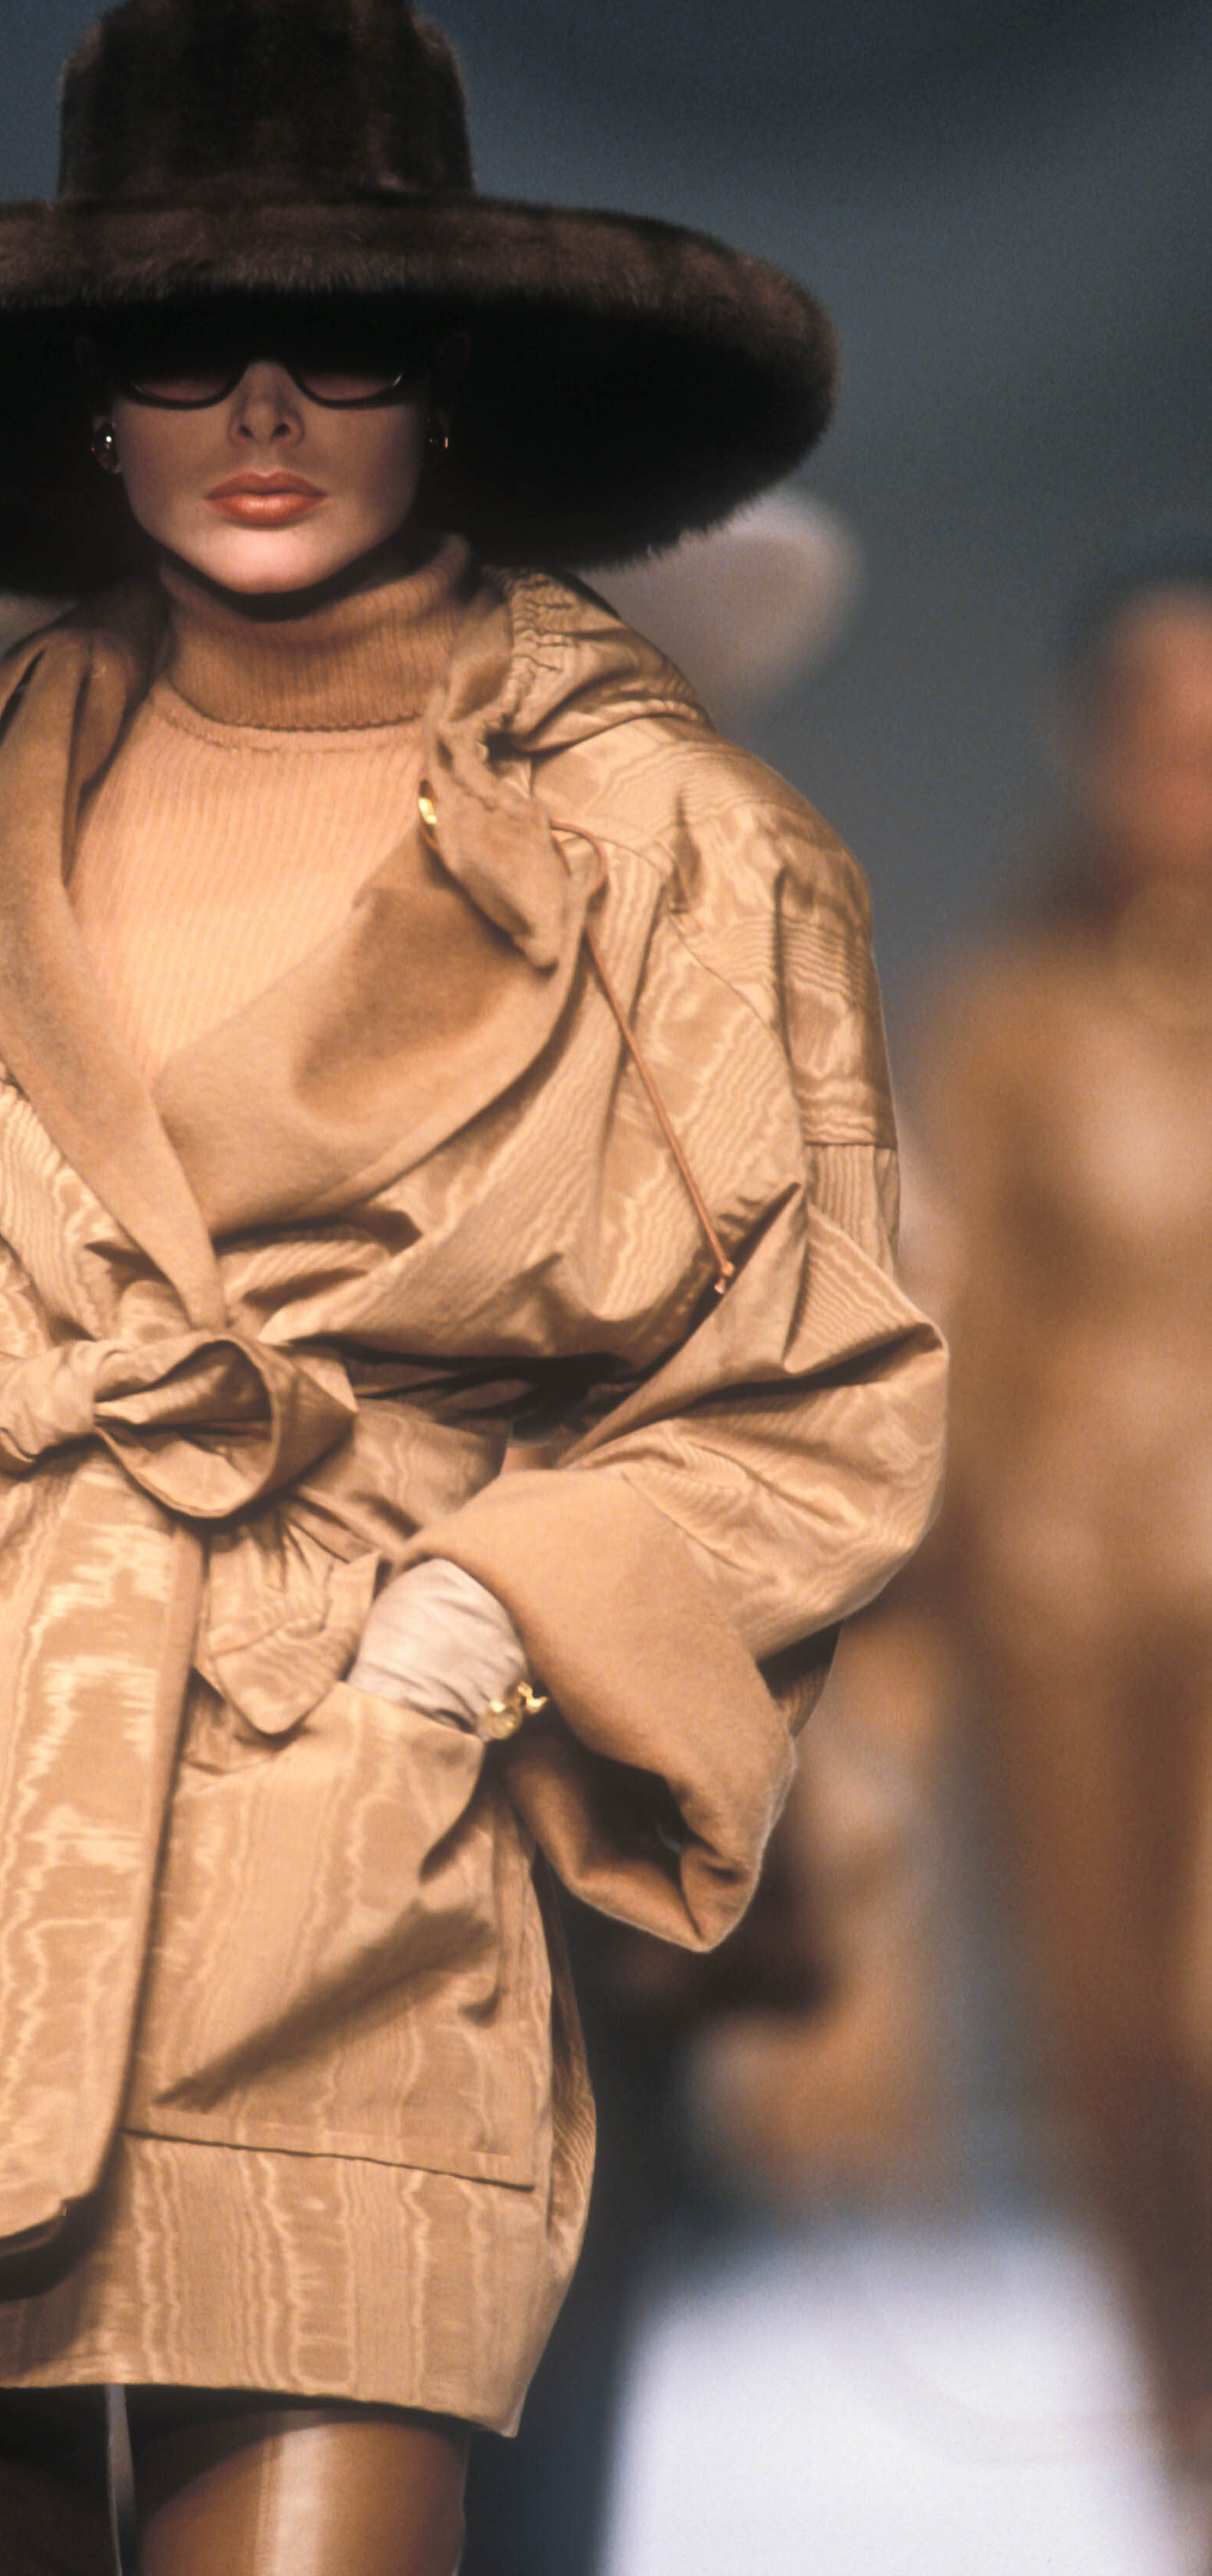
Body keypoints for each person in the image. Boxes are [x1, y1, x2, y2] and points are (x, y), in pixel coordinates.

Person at [0, 4, 945, 2568]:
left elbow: (813, 1383)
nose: (261, 414)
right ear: (91, 401)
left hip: (340, 1832)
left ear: (447, 380)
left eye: (340, 346)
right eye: (184, 348)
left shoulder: (673, 846)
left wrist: (478, 1630)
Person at [910, 546, 1212, 2525]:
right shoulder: (1011, 1009)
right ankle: (1185, 2459)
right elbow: (955, 1327)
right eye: (1157, 731)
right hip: (1066, 1611)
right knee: (1115, 2057)